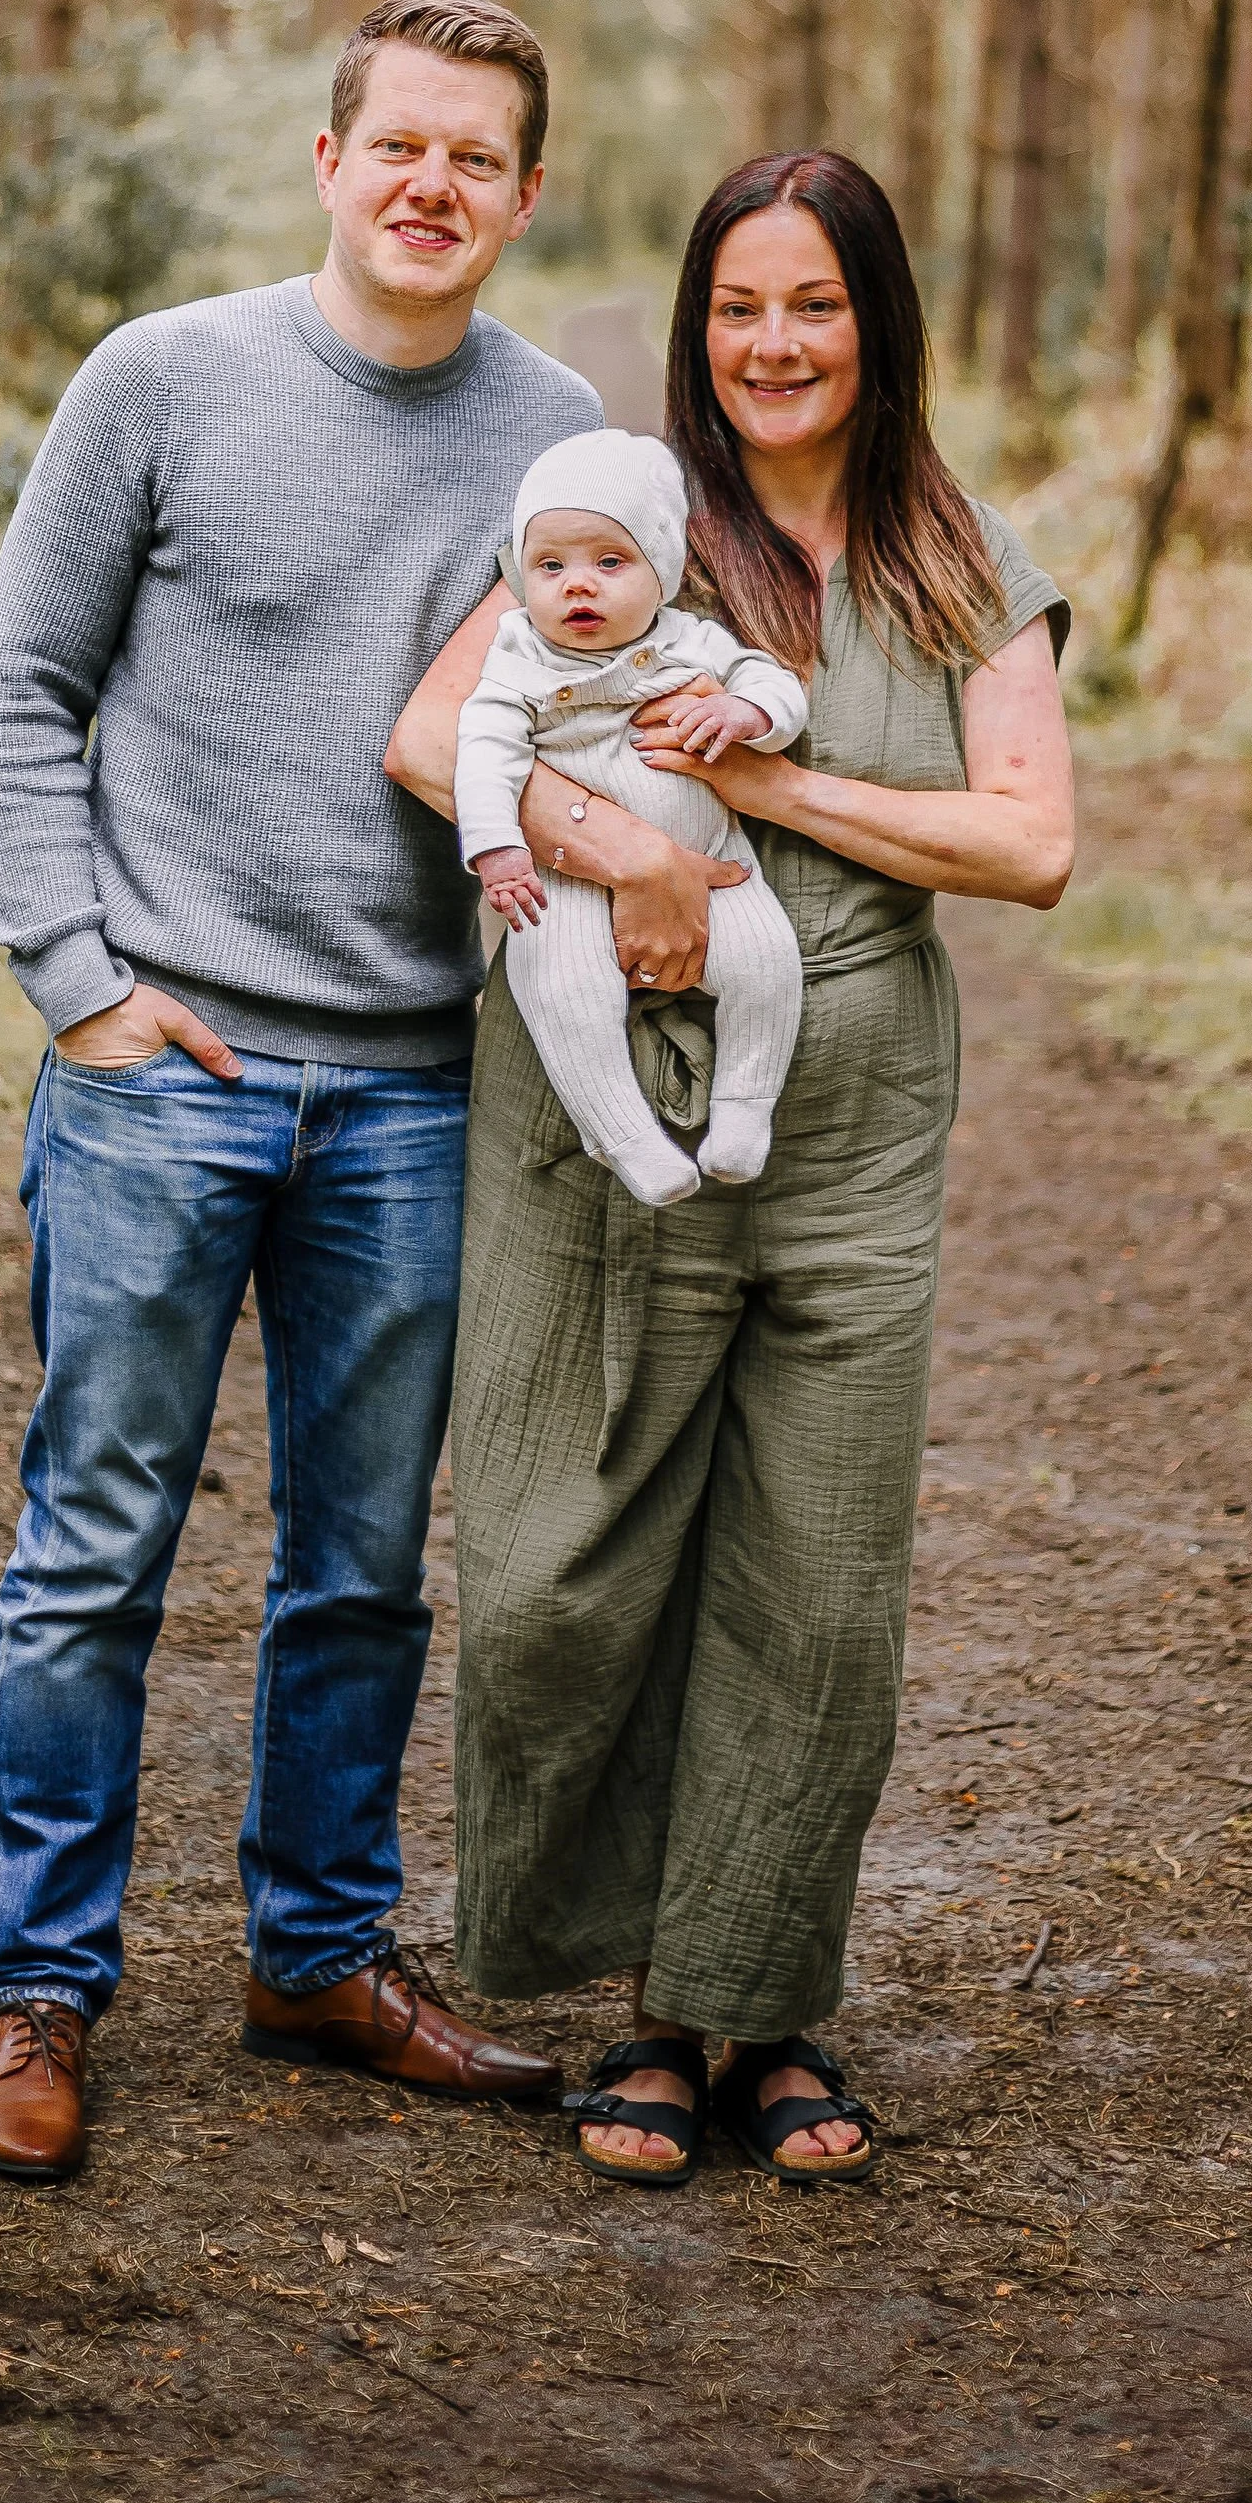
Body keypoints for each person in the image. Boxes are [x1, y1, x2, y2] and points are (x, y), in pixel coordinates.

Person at [0, 0, 598, 2184]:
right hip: (163, 1071)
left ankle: (318, 1953)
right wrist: (78, 984)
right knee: (93, 1549)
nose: (432, 187)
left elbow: (587, 722)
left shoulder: (560, 439)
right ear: (331, 162)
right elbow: (27, 693)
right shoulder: (165, 379)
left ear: (527, 195)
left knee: (361, 1565)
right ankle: (37, 1987)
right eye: (397, 144)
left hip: (415, 1092)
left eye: (476, 158)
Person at [386, 149, 1074, 2190]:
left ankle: (745, 2016)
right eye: (740, 308)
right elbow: (437, 739)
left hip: (848, 1130)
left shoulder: (959, 558)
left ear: (879, 323)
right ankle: (628, 1973)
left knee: (816, 1583)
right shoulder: (623, 521)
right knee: (553, 1564)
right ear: (698, 327)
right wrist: (640, 851)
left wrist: (763, 789)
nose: (774, 345)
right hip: (593, 1126)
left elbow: (1029, 843)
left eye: (817, 307)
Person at [456, 426, 807, 1206]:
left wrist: (749, 714)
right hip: (568, 880)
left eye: (609, 562)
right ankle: (622, 1136)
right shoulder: (519, 657)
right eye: (550, 566)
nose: (577, 586)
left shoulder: (694, 642)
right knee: (563, 990)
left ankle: (745, 1110)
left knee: (768, 964)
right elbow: (482, 751)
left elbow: (776, 684)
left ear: (663, 570)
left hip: (712, 860)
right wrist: (497, 849)